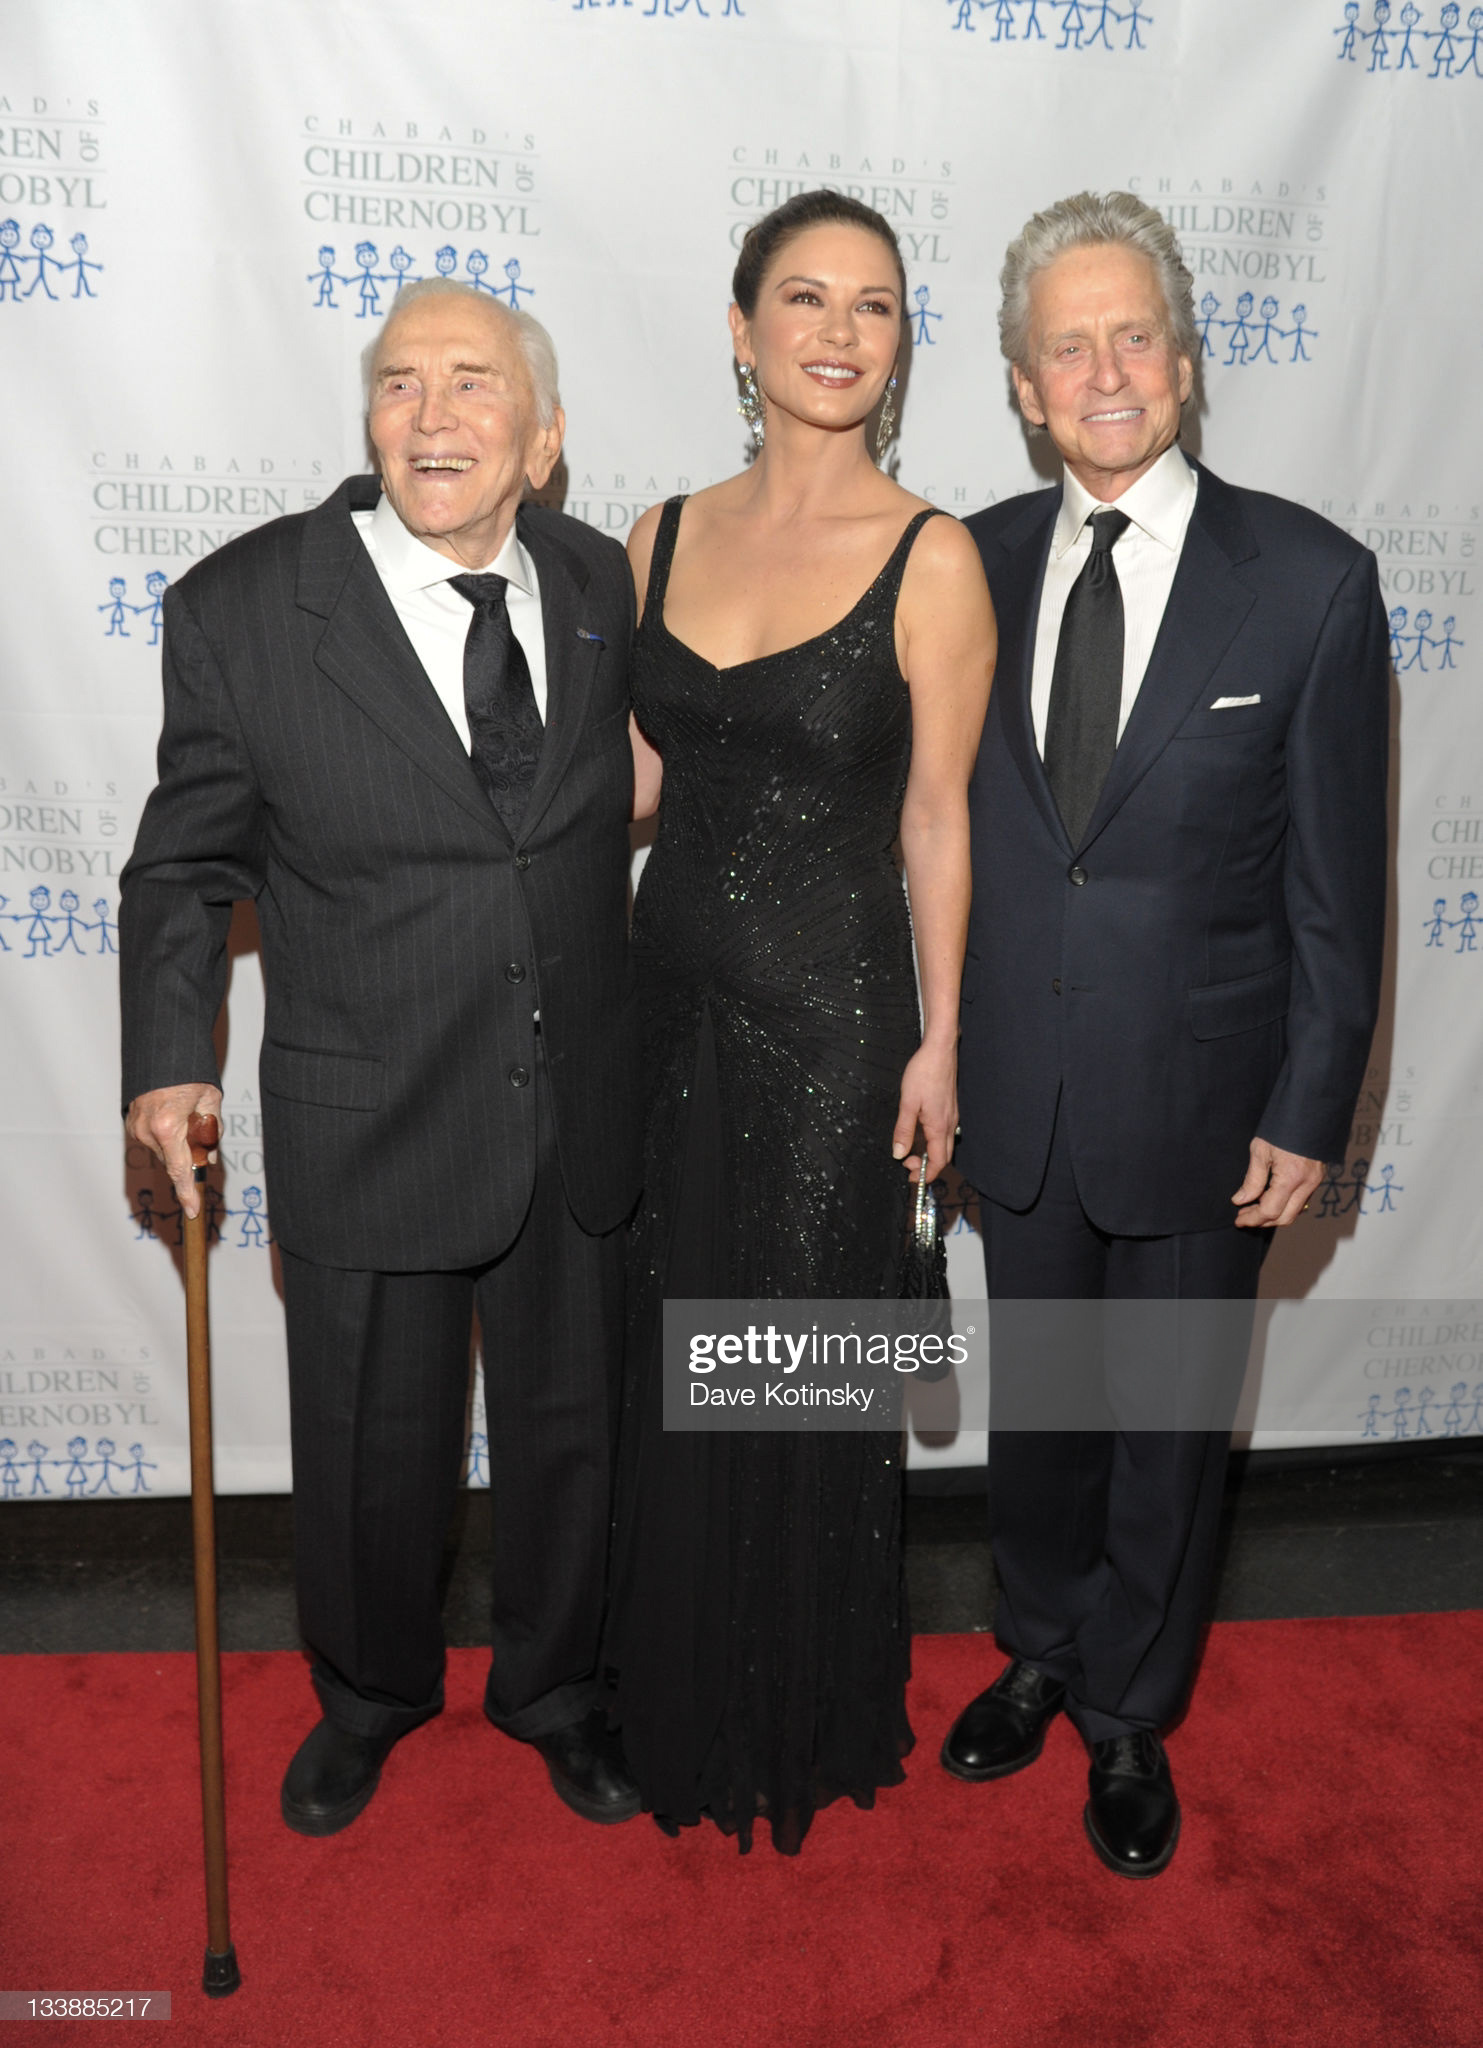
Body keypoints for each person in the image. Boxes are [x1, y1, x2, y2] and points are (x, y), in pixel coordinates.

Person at [120, 279, 643, 1836]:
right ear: (369, 418)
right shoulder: (243, 608)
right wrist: (168, 1058)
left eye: (474, 384)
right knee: (367, 1447)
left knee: (576, 1435)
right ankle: (369, 1695)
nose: (434, 415)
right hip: (372, 1102)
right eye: (403, 382)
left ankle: (560, 1689)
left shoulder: (600, 580)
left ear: (541, 439)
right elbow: (179, 869)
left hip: (576, 1106)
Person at [944, 192, 1388, 1875]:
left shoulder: (1312, 584)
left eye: (1136, 335)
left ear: (1188, 365)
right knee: (1043, 1412)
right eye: (1071, 344)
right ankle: (1043, 1651)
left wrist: (1312, 1105)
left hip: (1210, 1103)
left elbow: (1340, 895)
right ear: (1021, 382)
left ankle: (1132, 1713)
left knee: (1167, 1423)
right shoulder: (960, 565)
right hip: (1016, 1095)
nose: (1106, 369)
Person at [605, 191, 995, 1853]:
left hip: (838, 1027)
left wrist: (941, 1039)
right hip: (665, 1005)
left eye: (879, 307)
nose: (841, 331)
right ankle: (666, 1690)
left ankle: (792, 1701)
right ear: (744, 329)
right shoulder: (657, 530)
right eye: (807, 298)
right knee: (670, 1348)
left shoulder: (937, 551)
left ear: (904, 347)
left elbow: (938, 820)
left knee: (794, 1375)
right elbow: (630, 789)